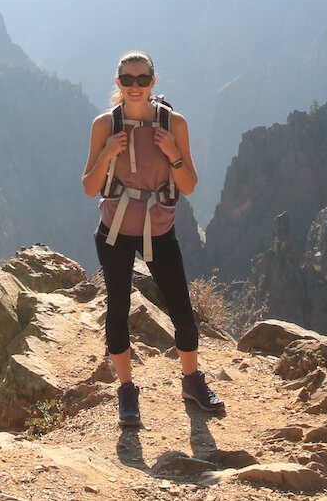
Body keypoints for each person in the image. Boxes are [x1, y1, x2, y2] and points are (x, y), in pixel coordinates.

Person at [81, 50, 224, 428]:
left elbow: (189, 185)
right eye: (127, 80)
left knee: (182, 311)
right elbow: (88, 187)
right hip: (114, 232)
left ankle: (192, 380)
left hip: (159, 230)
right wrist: (108, 153)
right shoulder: (104, 125)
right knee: (117, 312)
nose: (134, 87)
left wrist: (173, 154)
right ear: (118, 83)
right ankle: (127, 391)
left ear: (153, 83)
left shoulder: (173, 123)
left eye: (142, 80)